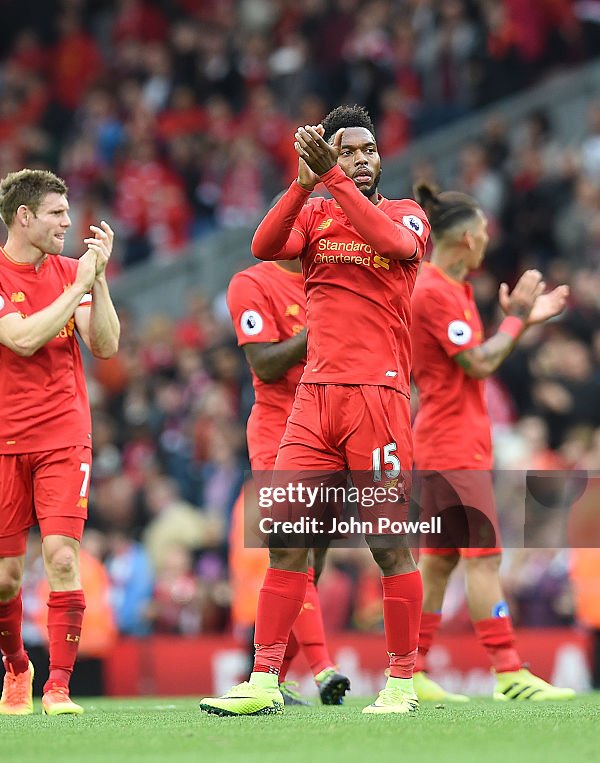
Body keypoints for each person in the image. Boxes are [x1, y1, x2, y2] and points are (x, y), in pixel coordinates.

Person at [202, 105, 432, 716]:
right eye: (346, 151)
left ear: (380, 159)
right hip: (314, 399)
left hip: (376, 396)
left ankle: (402, 685)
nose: (359, 159)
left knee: (388, 544)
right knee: (284, 540)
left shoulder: (405, 214)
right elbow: (263, 243)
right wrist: (305, 181)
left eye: (366, 151)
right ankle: (262, 680)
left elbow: (392, 245)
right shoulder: (318, 209)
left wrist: (330, 179)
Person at [0, 169, 119, 716]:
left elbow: (106, 347)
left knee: (62, 557)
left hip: (64, 433)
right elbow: (22, 339)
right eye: (57, 214)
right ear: (24, 217)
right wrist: (77, 287)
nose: (69, 223)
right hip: (0, 437)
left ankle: (59, 688)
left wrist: (96, 281)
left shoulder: (74, 271)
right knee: (3, 577)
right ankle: (17, 667)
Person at [408, 182, 575, 702]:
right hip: (454, 444)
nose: (487, 242)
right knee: (483, 558)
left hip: (446, 438)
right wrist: (518, 318)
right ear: (464, 240)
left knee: (439, 561)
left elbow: (476, 359)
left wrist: (521, 324)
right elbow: (477, 363)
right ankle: (507, 671)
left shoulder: (450, 288)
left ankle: (411, 668)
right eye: (482, 233)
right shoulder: (434, 291)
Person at [224, 256, 350, 706]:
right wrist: (320, 329)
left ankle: (271, 681)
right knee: (295, 554)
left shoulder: (330, 277)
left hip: (333, 430)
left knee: (313, 562)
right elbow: (263, 363)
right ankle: (323, 667)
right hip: (280, 432)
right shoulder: (251, 282)